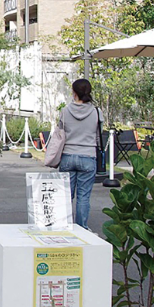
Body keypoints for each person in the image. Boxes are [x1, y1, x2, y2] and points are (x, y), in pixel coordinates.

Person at [57, 79, 101, 229]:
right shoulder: (96, 112)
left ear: (74, 92)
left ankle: (64, 226)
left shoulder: (65, 111)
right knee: (83, 196)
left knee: (66, 196)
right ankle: (82, 228)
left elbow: (60, 132)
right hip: (88, 156)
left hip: (68, 155)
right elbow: (98, 135)